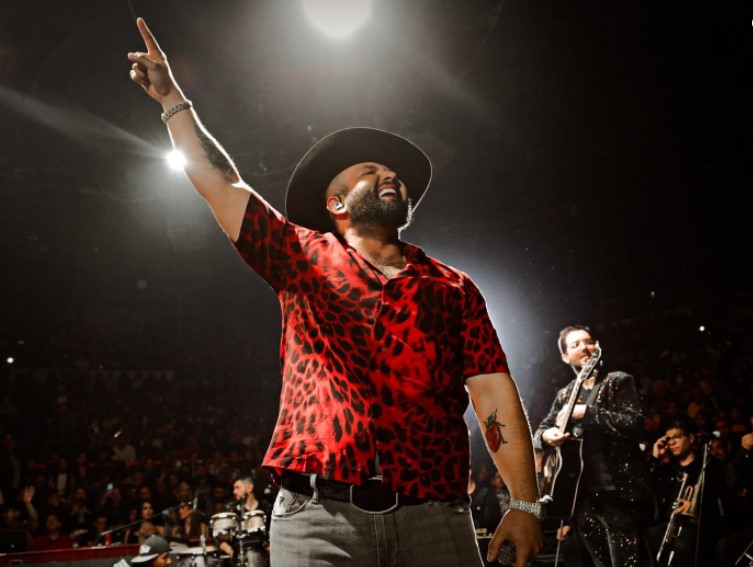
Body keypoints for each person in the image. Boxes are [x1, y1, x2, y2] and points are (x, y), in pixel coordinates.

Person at [128, 16, 543, 567]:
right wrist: (174, 99)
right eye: (371, 171)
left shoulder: (453, 287)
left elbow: (492, 392)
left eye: (393, 170)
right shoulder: (297, 254)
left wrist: (524, 502)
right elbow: (223, 183)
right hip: (318, 518)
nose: (389, 174)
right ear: (337, 204)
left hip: (434, 516)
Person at [534, 325, 652, 566]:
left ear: (596, 347)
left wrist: (587, 413)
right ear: (565, 356)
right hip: (582, 498)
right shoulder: (564, 394)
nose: (584, 347)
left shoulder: (617, 380)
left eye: (588, 341)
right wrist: (548, 436)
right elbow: (539, 433)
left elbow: (634, 424)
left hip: (618, 492)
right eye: (575, 344)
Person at [647, 420, 728, 566]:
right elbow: (643, 488)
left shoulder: (708, 466)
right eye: (668, 438)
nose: (671, 442)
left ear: (691, 438)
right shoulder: (666, 469)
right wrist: (654, 458)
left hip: (697, 526)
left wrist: (695, 507)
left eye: (676, 437)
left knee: (682, 546)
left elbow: (722, 504)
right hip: (667, 525)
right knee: (646, 538)